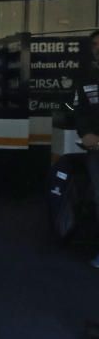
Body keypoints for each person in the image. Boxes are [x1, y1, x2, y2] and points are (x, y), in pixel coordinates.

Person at [72, 30, 99, 267]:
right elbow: (77, 110)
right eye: (95, 44)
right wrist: (85, 133)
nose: (98, 47)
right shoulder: (85, 77)